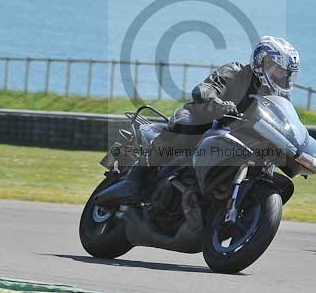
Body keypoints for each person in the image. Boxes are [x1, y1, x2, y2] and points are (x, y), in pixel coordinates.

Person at [124, 36, 301, 197]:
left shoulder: (279, 98)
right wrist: (218, 104)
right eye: (279, 71)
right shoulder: (236, 71)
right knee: (187, 127)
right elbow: (205, 89)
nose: (283, 77)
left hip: (238, 139)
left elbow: (285, 123)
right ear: (262, 63)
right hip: (203, 117)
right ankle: (135, 177)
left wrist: (298, 145)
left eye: (287, 74)